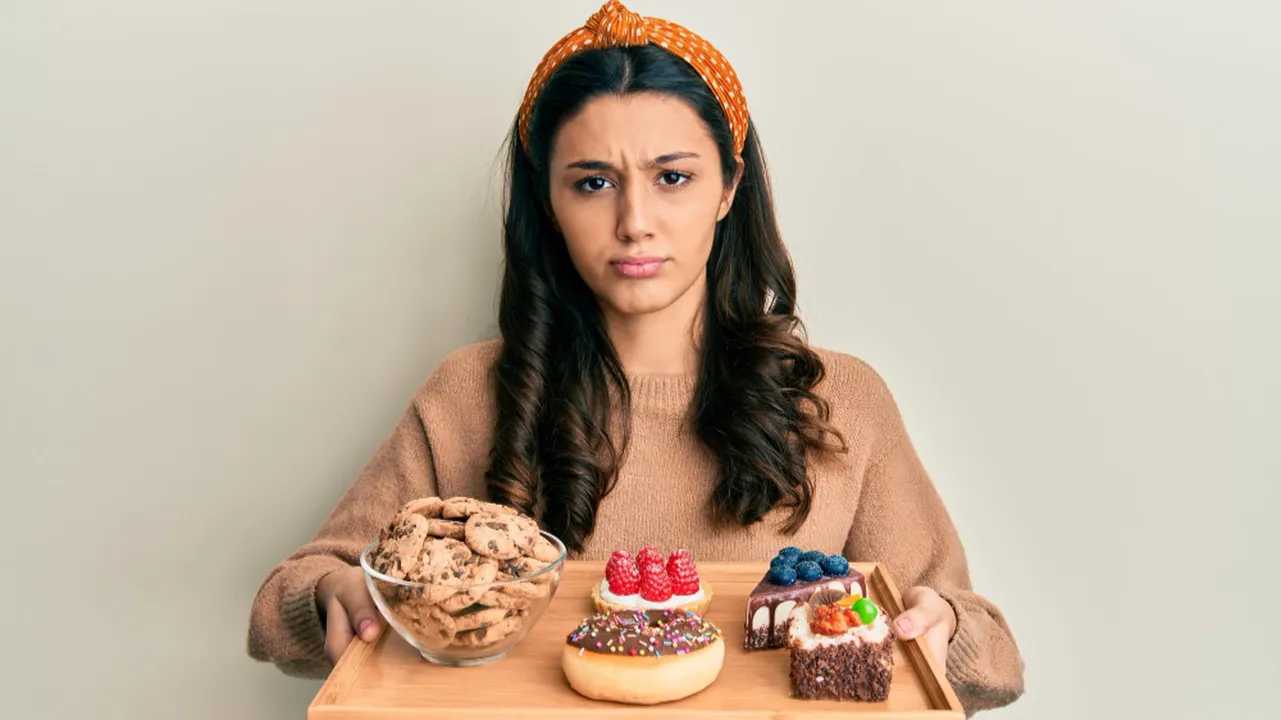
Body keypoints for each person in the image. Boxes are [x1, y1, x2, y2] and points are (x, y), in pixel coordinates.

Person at [247, 1, 1024, 713]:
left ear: (728, 188)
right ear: (547, 203)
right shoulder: (471, 393)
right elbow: (288, 601)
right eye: (592, 182)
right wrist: (333, 595)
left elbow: (989, 656)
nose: (634, 222)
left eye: (672, 177)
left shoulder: (840, 398)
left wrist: (941, 623)